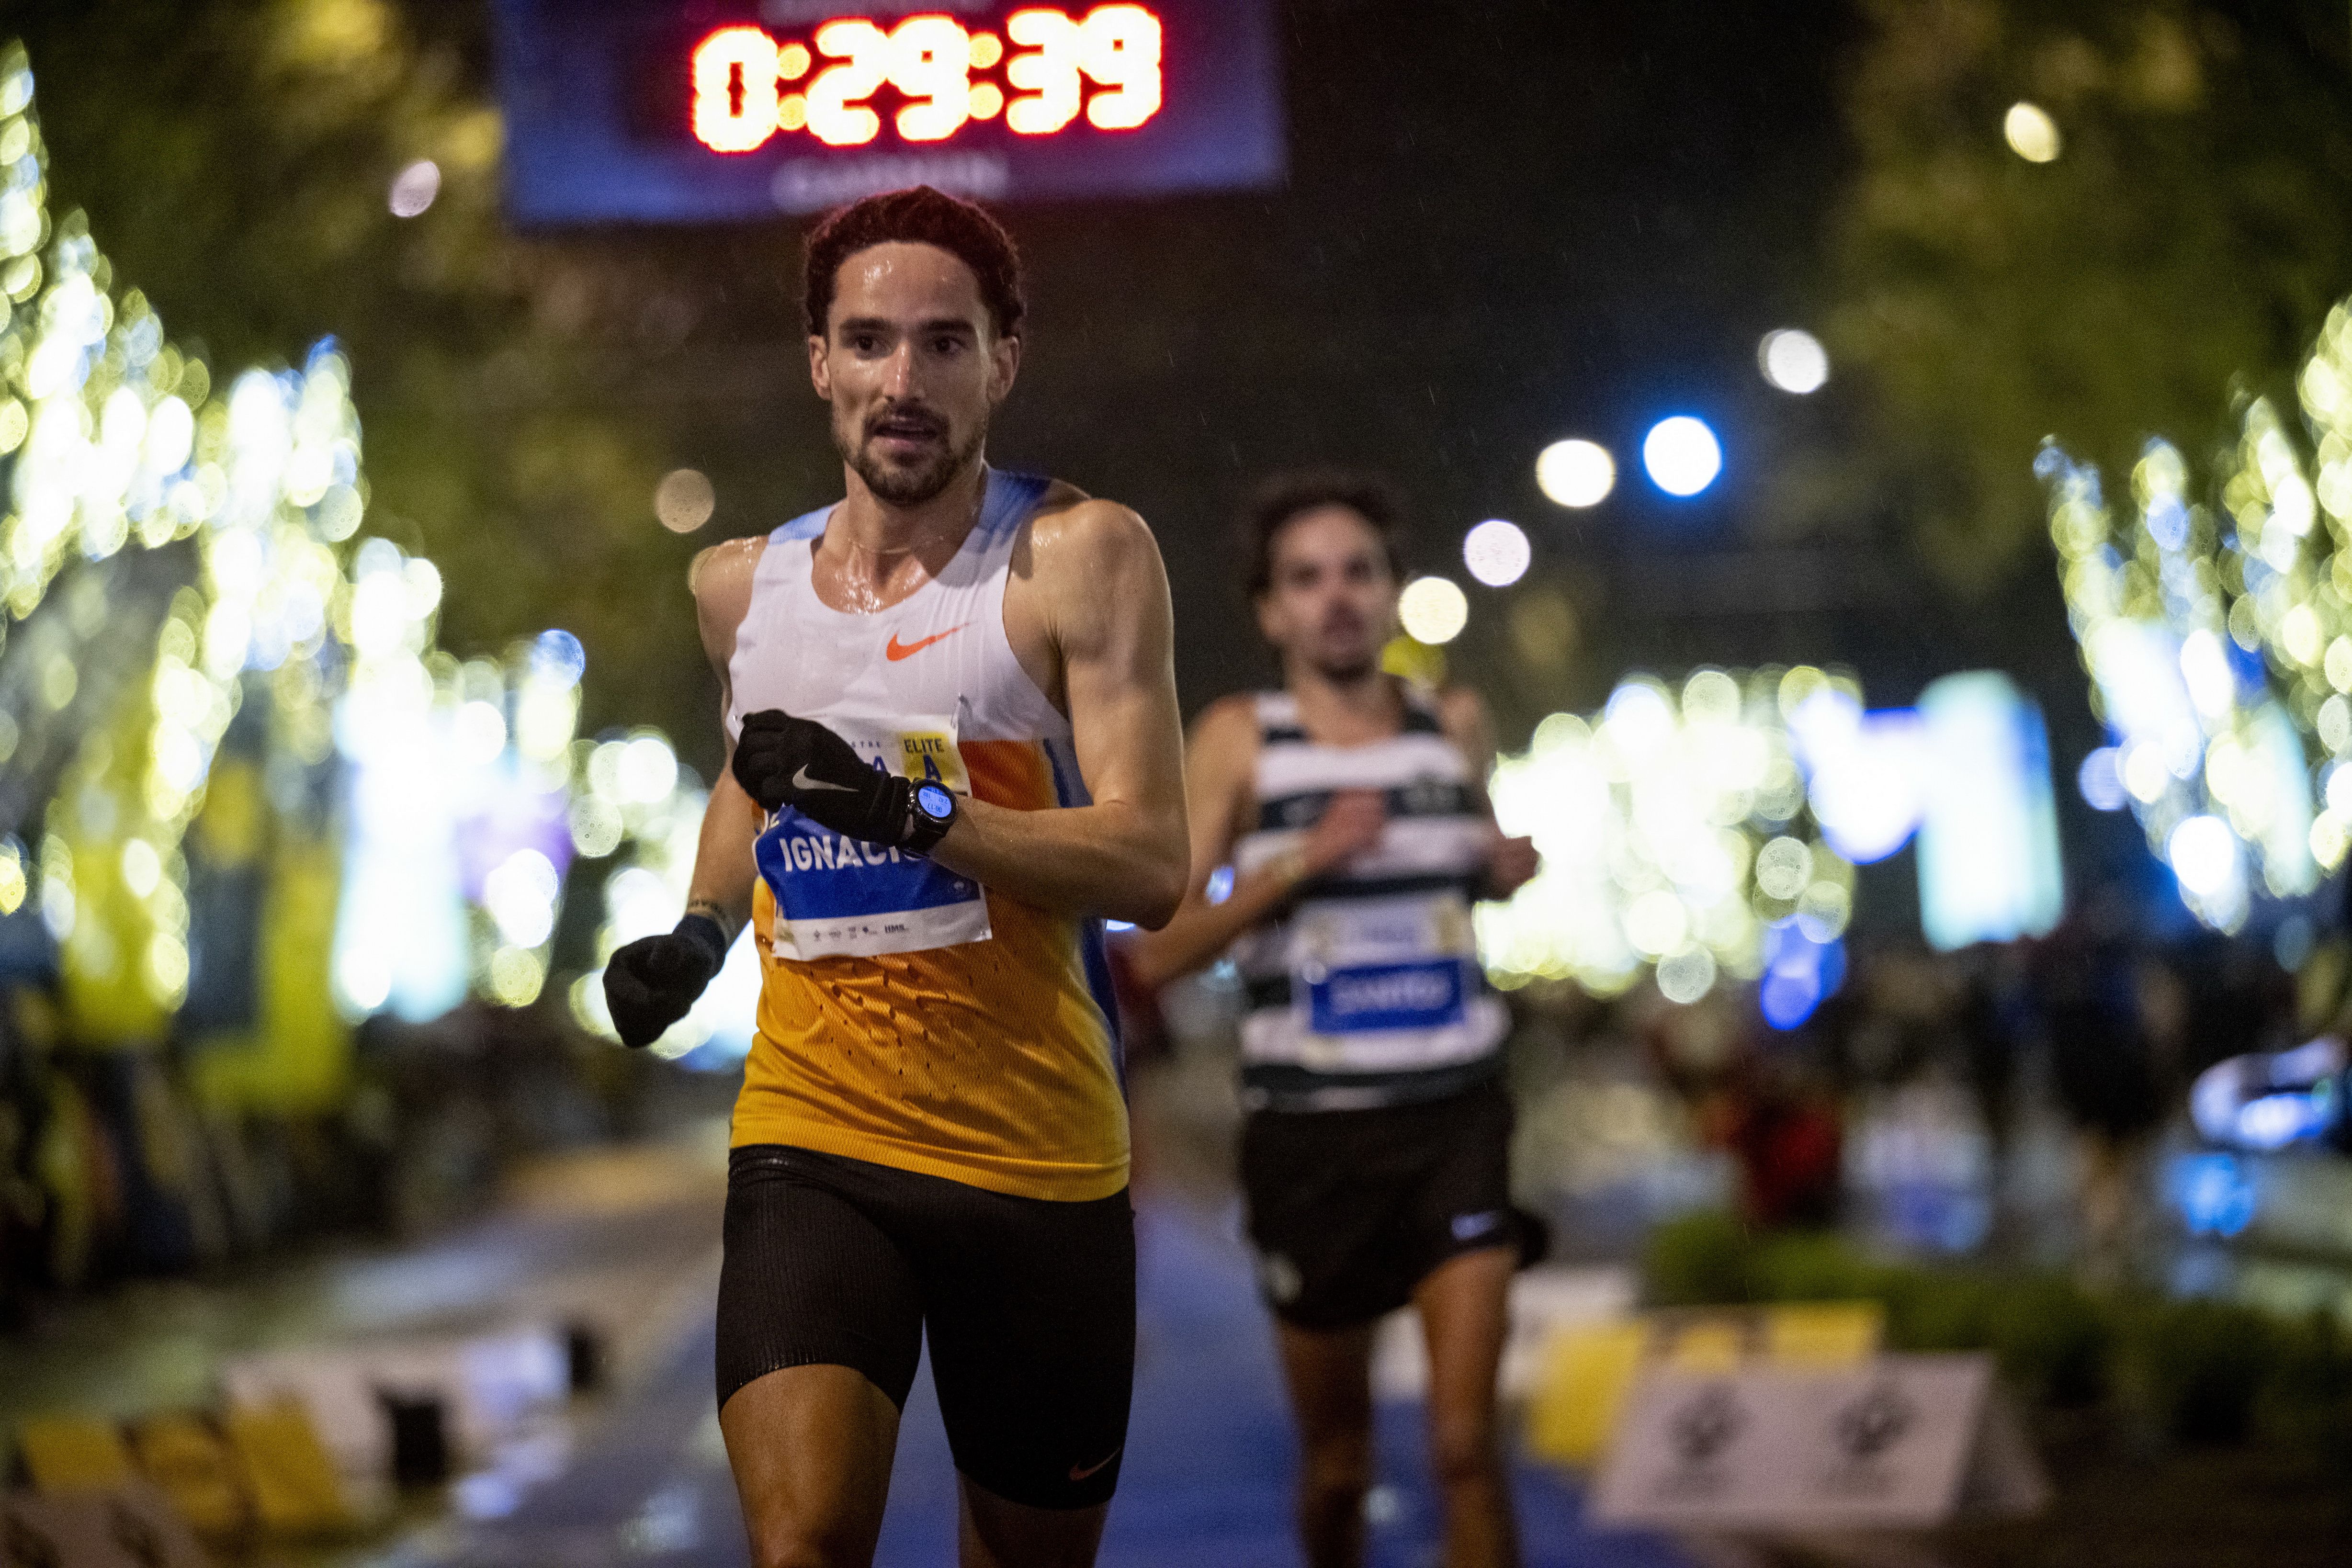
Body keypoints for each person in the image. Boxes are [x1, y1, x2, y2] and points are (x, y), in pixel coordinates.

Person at [600, 186, 1188, 1568]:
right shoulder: (740, 588)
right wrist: (697, 929)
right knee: (801, 1544)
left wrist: (913, 814)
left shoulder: (1076, 559)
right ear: (819, 362)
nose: (902, 381)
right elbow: (757, 771)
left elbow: (1150, 862)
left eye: (942, 343)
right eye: (867, 342)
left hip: (1033, 1157)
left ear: (1005, 357)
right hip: (817, 1136)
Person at [1123, 471, 1540, 1568]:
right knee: (1340, 1464)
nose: (1337, 597)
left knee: (1463, 1447)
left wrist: (1500, 870)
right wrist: (1300, 864)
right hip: (1310, 1140)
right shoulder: (1239, 741)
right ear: (1270, 611)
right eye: (1305, 579)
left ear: (1394, 592)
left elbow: (1468, 869)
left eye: (1359, 571)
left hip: (1454, 1116)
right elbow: (1157, 953)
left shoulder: (1450, 724)